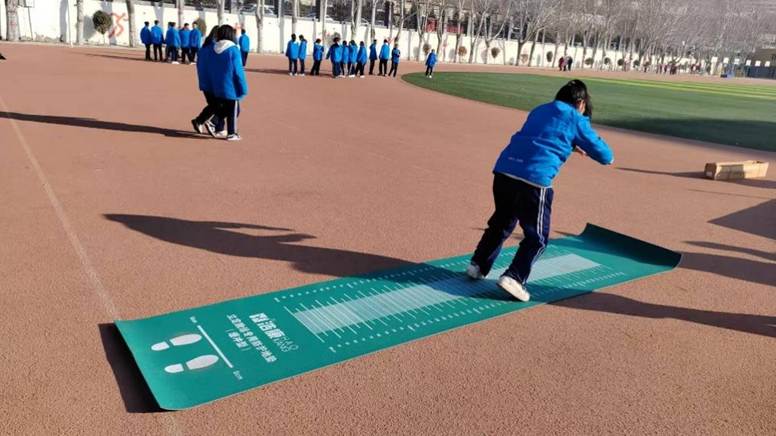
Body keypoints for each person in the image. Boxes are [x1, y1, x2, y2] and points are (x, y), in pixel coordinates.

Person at [467, 80, 613, 301]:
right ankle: (514, 278)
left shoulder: (540, 109)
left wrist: (571, 144)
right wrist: (603, 154)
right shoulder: (576, 118)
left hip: (505, 170)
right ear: (581, 103)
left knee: (502, 222)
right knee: (538, 238)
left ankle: (478, 265)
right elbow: (605, 155)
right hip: (534, 179)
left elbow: (541, 136)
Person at [206, 25, 248, 141]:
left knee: (229, 109)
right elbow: (238, 71)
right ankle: (231, 133)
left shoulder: (213, 49)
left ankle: (214, 122)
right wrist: (243, 87)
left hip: (217, 85)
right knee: (233, 109)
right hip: (231, 86)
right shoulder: (233, 50)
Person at [192, 25, 221, 137]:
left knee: (213, 104)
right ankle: (205, 121)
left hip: (204, 80)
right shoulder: (215, 48)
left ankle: (200, 121)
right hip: (212, 81)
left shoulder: (204, 48)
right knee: (219, 104)